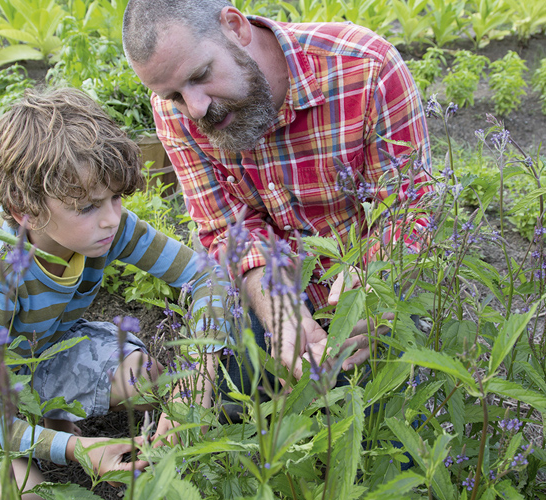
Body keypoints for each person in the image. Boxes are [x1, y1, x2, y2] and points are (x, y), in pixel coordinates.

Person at [0, 87, 232, 499]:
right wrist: (78, 450)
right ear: (23, 209)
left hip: (39, 355)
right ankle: (31, 441)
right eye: (87, 208)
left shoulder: (107, 227)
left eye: (115, 198)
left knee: (149, 381)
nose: (112, 219)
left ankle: (43, 421)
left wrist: (197, 377)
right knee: (21, 493)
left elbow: (208, 277)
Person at [122, 0, 434, 381]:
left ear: (235, 27)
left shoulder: (366, 68)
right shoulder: (176, 112)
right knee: (237, 402)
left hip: (367, 283)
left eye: (201, 75)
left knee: (386, 414)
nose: (196, 108)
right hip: (274, 289)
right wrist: (278, 310)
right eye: (174, 96)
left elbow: (410, 206)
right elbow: (226, 228)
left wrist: (372, 290)